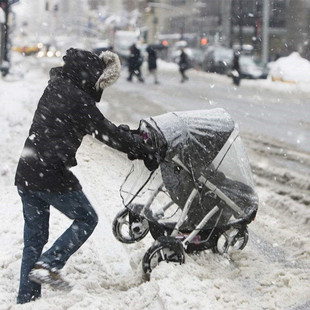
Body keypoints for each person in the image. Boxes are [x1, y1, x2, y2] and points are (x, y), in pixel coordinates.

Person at [15, 48, 158, 304]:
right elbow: (106, 132)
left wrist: (127, 136)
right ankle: (48, 264)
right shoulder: (79, 100)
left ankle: (27, 300)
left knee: (34, 239)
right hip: (50, 173)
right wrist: (139, 147)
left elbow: (101, 127)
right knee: (87, 218)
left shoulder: (56, 86)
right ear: (90, 76)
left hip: (27, 171)